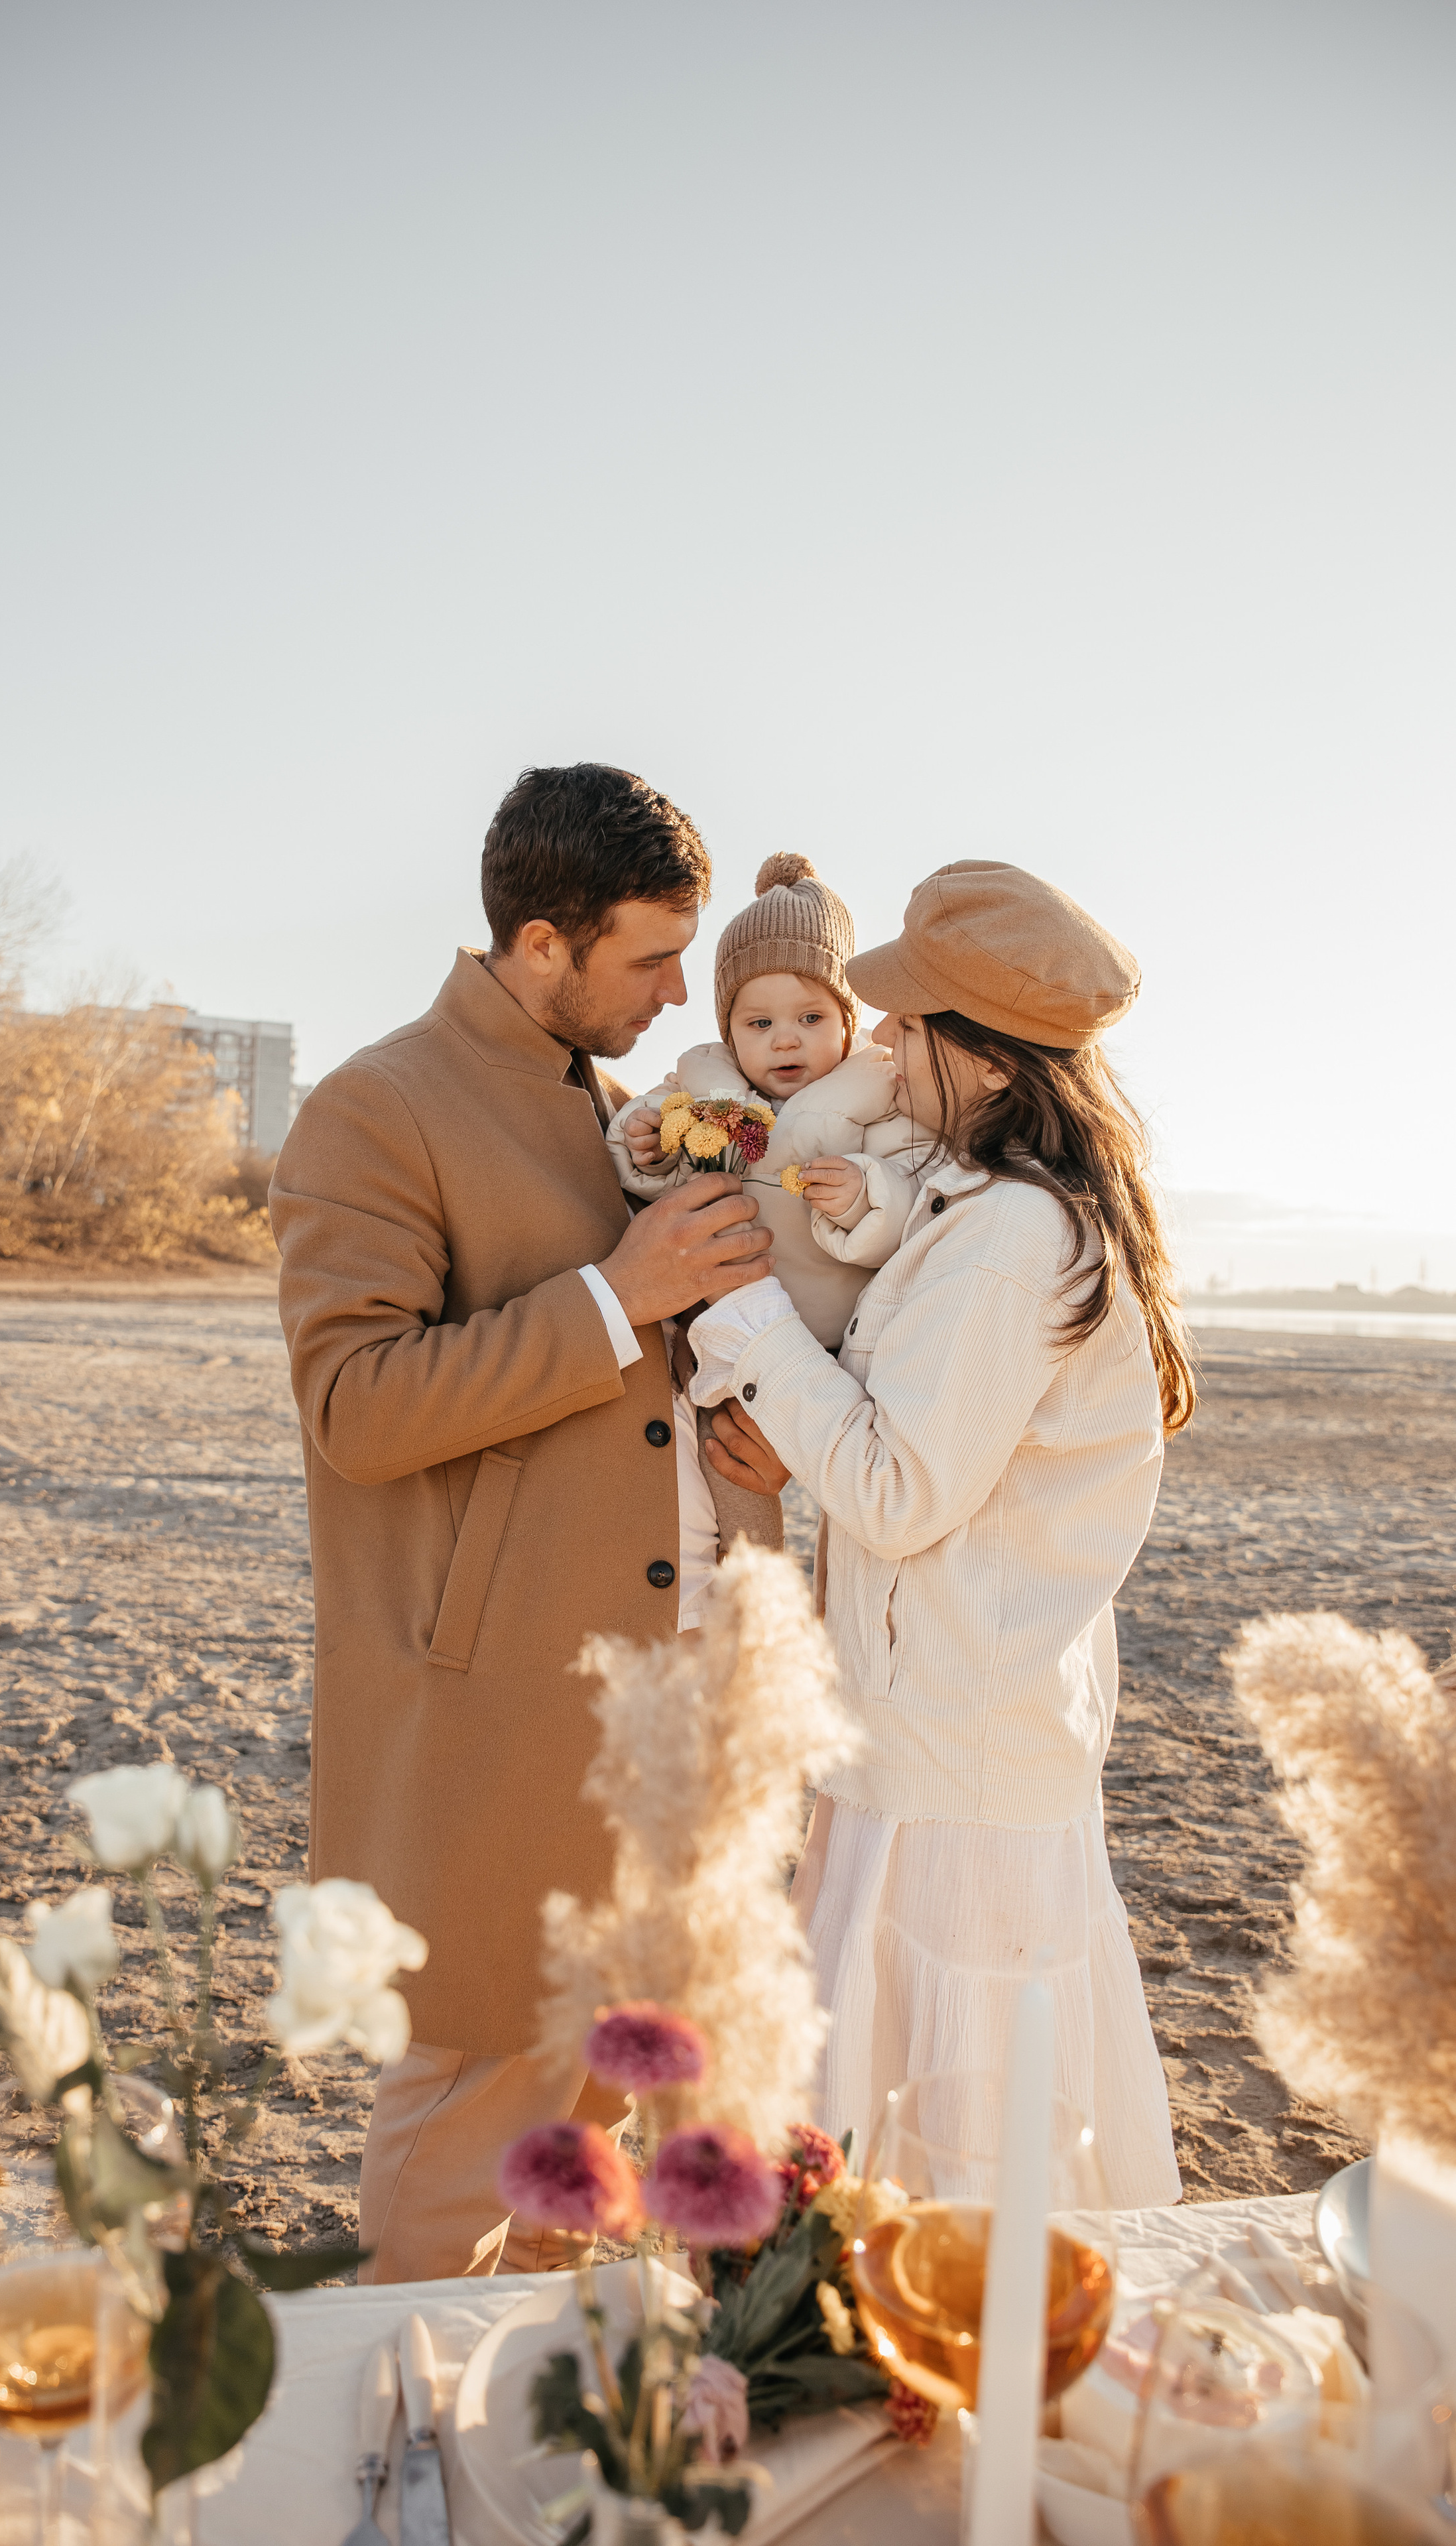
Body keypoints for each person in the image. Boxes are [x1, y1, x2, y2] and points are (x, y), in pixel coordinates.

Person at [269, 763, 784, 2281]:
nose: (678, 987)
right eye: (647, 954)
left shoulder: (641, 1122)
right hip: (496, 1710)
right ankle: (416, 2465)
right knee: (471, 2103)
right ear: (542, 941)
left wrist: (729, 1432)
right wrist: (619, 1293)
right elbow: (355, 1406)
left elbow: (634, 1392)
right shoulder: (376, 1106)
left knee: (591, 2127)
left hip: (667, 1703)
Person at [687, 859, 1192, 2206]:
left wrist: (739, 1323)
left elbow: (903, 1492)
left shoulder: (1003, 1241)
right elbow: (932, 1462)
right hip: (934, 1739)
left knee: (953, 2160)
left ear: (975, 1051)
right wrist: (792, 1435)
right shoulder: (981, 1213)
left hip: (952, 1770)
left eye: (907, 1024)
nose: (883, 1046)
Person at [607, 851, 921, 1349]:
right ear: (729, 1033)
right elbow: (638, 1145)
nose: (785, 1041)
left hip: (842, 1350)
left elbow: (923, 1203)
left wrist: (864, 1195)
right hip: (729, 1338)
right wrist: (652, 1148)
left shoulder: (887, 1091)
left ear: (847, 1021)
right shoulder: (699, 1083)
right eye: (760, 1023)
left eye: (811, 1019)